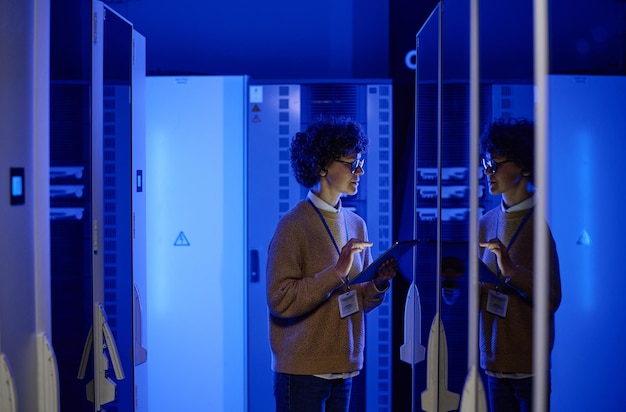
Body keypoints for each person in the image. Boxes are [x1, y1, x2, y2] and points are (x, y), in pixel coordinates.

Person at [266, 116, 398, 412]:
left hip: (345, 367)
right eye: (352, 164)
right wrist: (336, 272)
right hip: (302, 372)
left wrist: (377, 284)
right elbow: (280, 300)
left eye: (360, 162)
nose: (360, 170)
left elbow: (359, 299)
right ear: (323, 166)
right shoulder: (292, 226)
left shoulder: (356, 224)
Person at [478, 117, 562, 412]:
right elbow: (477, 294)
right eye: (487, 163)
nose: (487, 172)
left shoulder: (540, 226)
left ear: (525, 166)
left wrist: (512, 271)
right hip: (493, 365)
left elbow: (551, 298)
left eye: (496, 164)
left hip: (531, 369)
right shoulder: (486, 222)